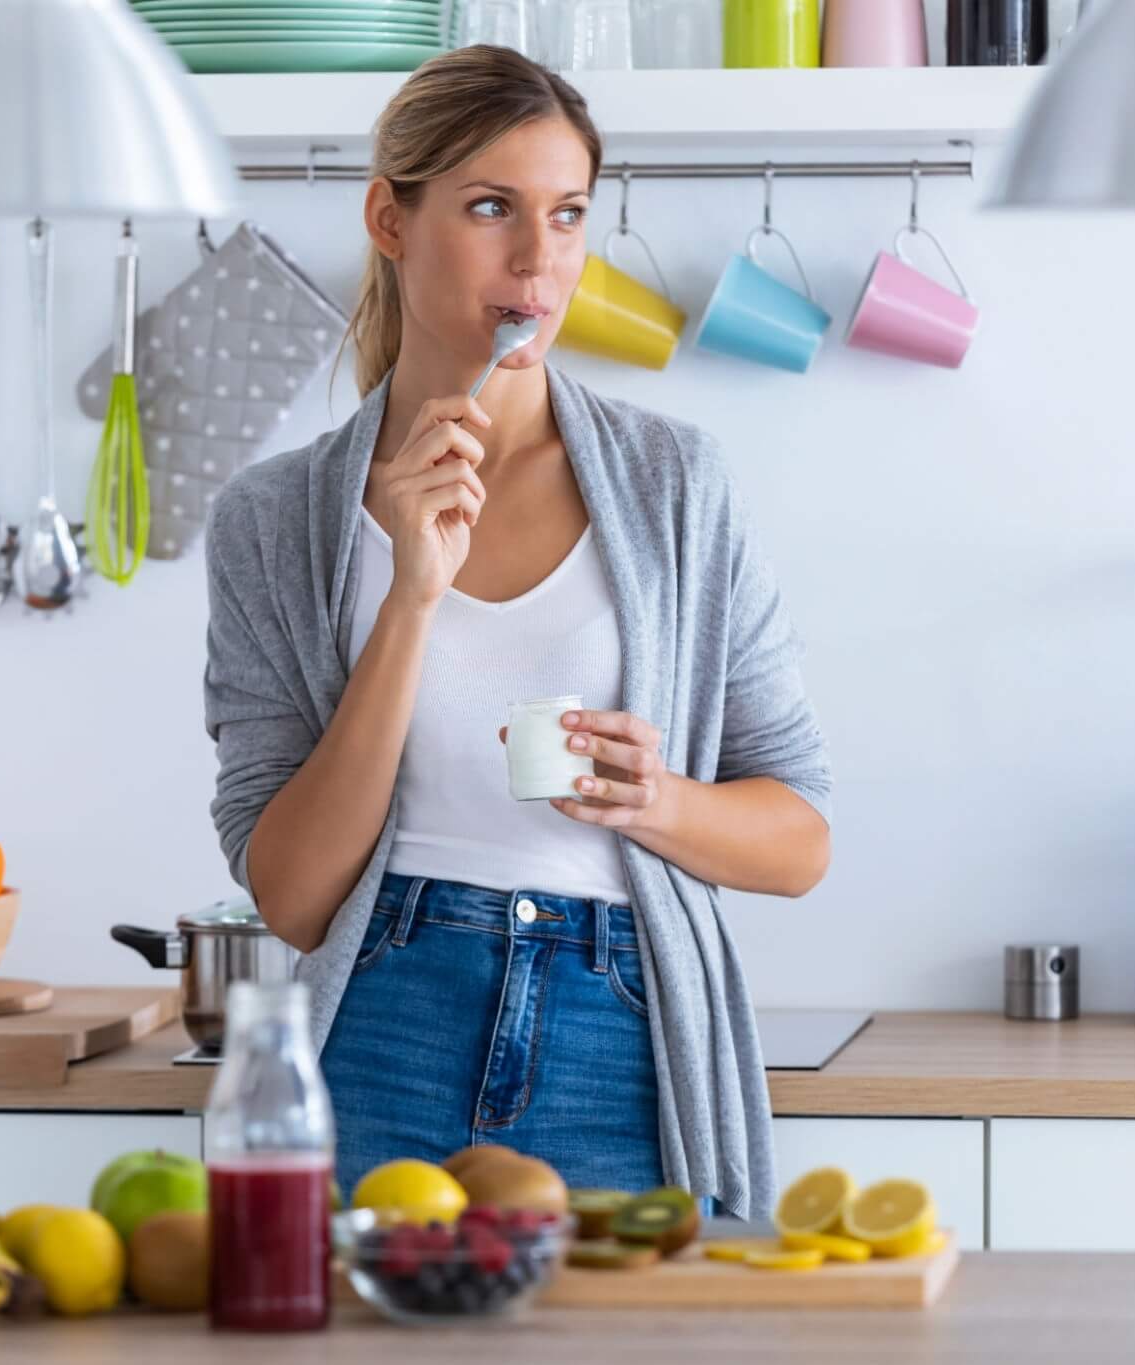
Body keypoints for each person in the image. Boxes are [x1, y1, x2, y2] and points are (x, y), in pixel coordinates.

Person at [202, 45, 832, 1218]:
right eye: (491, 208)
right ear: (390, 219)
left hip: (622, 1031)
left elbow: (798, 840)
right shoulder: (275, 518)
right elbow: (290, 896)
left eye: (567, 214)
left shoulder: (673, 486)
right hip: (380, 1013)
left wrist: (659, 802)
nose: (538, 261)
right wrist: (409, 596)